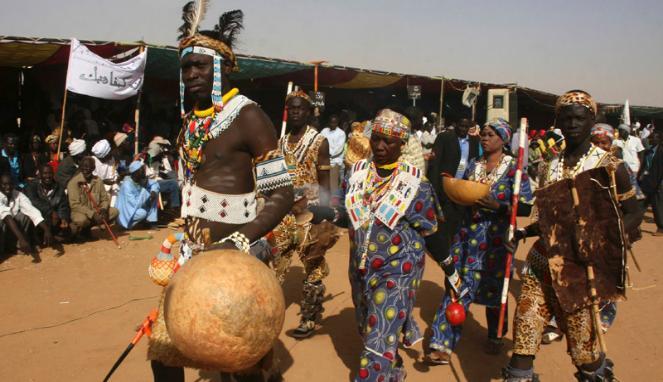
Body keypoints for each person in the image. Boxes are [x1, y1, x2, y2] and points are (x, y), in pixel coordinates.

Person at [147, 7, 293, 382]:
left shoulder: (248, 116)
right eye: (186, 68)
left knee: (238, 356)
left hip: (237, 255)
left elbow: (282, 194)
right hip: (191, 251)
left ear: (223, 67)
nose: (192, 74)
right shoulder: (191, 121)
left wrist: (238, 242)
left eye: (200, 65)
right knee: (166, 350)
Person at [502, 90, 643, 382]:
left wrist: (600, 237)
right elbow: (546, 221)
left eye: (580, 118)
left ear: (592, 119)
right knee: (523, 345)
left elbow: (634, 213)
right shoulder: (548, 165)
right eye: (566, 118)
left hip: (579, 273)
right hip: (541, 265)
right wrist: (522, 232)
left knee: (587, 358)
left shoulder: (608, 165)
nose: (572, 124)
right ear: (559, 121)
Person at [308, 109, 456, 381]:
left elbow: (431, 232)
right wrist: (322, 212)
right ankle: (394, 368)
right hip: (361, 268)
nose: (380, 146)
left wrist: (451, 269)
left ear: (402, 144)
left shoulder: (415, 184)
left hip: (399, 269)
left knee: (379, 336)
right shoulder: (356, 173)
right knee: (370, 328)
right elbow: (347, 217)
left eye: (389, 141)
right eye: (376, 138)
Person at [426, 118, 533, 364]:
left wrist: (501, 207)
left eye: (491, 135)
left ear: (504, 139)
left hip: (496, 240)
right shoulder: (474, 165)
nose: (484, 138)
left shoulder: (515, 170)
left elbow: (526, 208)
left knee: (496, 289)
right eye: (483, 134)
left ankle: (496, 335)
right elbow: (463, 191)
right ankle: (442, 342)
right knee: (456, 285)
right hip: (466, 237)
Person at [275, 90, 338, 339]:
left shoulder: (318, 141)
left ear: (310, 112)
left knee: (312, 266)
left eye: (300, 108)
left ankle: (310, 318)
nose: (296, 112)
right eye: (291, 109)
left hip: (309, 214)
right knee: (276, 264)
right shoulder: (281, 142)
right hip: (283, 213)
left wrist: (324, 216)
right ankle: (269, 311)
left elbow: (324, 180)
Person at [428, 118, 481, 264]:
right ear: (456, 124)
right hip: (445, 188)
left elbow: (476, 162)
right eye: (461, 126)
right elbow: (435, 164)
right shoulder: (445, 137)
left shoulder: (475, 141)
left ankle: (454, 248)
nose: (463, 129)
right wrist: (434, 188)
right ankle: (444, 252)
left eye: (466, 126)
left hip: (463, 189)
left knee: (459, 220)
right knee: (445, 220)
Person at [0, 173, 53, 262]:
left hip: (10, 231)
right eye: (4, 184)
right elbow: (7, 217)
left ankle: (15, 247)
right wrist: (22, 239)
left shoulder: (18, 195)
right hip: (3, 228)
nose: (8, 187)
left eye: (10, 184)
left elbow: (32, 211)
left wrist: (46, 230)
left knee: (25, 216)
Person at [66, 157, 118, 238]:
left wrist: (103, 209)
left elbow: (104, 199)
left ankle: (88, 230)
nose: (86, 169)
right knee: (81, 220)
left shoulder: (98, 180)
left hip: (96, 210)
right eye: (83, 166)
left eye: (89, 167)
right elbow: (75, 205)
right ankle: (81, 230)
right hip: (81, 212)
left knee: (114, 212)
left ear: (93, 168)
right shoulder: (73, 183)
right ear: (80, 167)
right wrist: (92, 214)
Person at [23, 164, 70, 240]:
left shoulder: (59, 187)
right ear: (40, 175)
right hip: (38, 218)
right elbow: (34, 201)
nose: (48, 176)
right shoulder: (31, 186)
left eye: (50, 173)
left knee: (69, 232)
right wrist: (51, 211)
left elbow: (63, 205)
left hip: (53, 219)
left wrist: (63, 218)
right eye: (45, 173)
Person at [117, 161, 160, 229]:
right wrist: (144, 190)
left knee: (154, 194)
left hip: (140, 204)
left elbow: (155, 184)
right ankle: (131, 225)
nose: (144, 171)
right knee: (142, 213)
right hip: (129, 212)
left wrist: (153, 192)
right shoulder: (127, 185)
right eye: (141, 170)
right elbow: (134, 205)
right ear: (135, 173)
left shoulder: (141, 179)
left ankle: (152, 222)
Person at [640, 126, 663, 235]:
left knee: (657, 206)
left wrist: (660, 184)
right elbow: (643, 166)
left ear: (660, 139)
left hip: (658, 183)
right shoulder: (648, 151)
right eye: (652, 137)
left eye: (654, 137)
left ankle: (661, 228)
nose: (652, 139)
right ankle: (635, 226)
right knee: (641, 204)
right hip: (647, 181)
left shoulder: (661, 152)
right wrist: (639, 178)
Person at [145, 141, 180, 211]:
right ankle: (174, 206)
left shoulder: (157, 159)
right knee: (173, 183)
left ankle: (170, 204)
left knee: (174, 178)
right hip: (151, 183)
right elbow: (150, 175)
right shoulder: (147, 161)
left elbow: (161, 170)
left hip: (156, 180)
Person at [320, 114, 346, 203]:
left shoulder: (341, 133)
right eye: (331, 122)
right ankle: (323, 200)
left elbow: (338, 149)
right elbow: (319, 142)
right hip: (323, 160)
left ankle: (333, 204)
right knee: (323, 182)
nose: (332, 124)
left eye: (334, 123)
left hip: (334, 161)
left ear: (337, 123)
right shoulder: (324, 131)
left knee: (333, 184)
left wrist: (327, 155)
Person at [91, 139, 120, 207]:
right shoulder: (92, 162)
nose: (111, 154)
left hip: (111, 188)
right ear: (103, 156)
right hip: (97, 191)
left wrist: (116, 178)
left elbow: (113, 173)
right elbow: (92, 181)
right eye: (109, 154)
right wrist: (103, 182)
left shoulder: (111, 158)